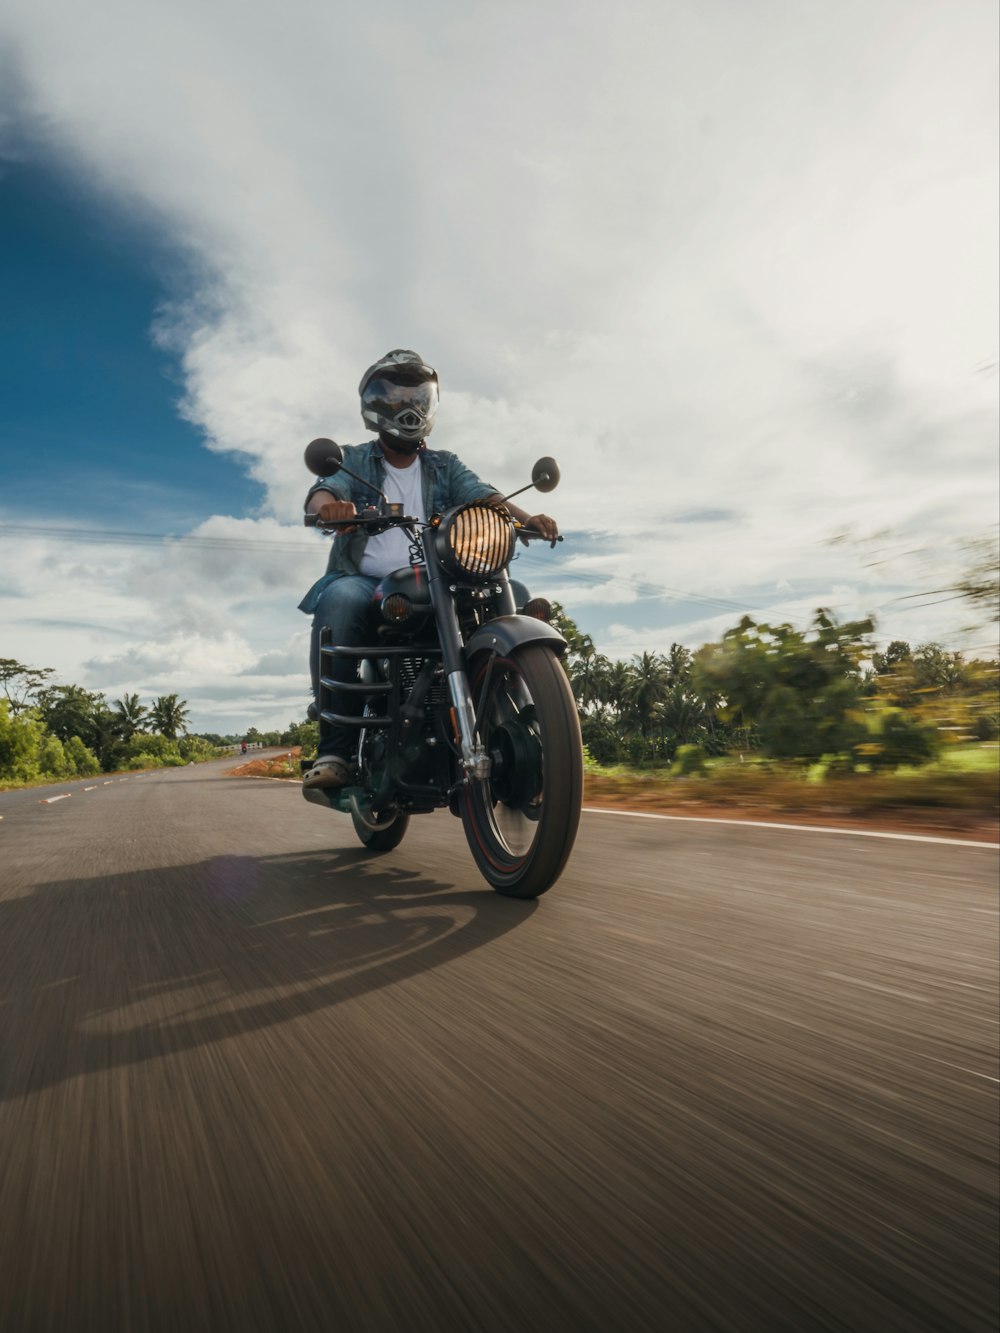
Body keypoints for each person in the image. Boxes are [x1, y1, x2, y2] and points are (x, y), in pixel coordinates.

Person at [299, 349, 558, 790]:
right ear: (376, 405)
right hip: (368, 583)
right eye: (395, 396)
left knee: (511, 587)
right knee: (340, 601)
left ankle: (517, 722)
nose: (408, 406)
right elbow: (323, 490)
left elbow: (483, 496)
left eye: (417, 396)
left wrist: (524, 518)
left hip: (444, 577)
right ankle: (335, 751)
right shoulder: (355, 460)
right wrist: (329, 510)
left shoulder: (445, 464)